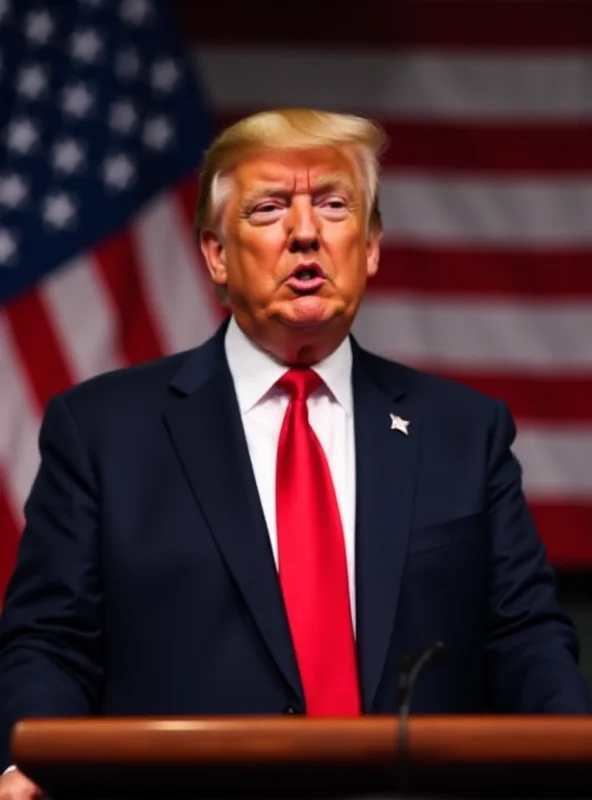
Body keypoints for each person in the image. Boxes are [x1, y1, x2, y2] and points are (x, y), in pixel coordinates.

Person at [1, 108, 590, 799]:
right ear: (216, 253)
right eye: (270, 208)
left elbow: (522, 636)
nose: (305, 232)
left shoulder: (464, 430)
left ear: (369, 247)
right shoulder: (102, 432)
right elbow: (52, 641)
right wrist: (24, 767)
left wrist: (572, 753)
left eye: (334, 206)